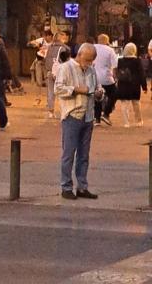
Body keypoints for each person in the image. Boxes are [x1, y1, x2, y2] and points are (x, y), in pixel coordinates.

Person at [55, 43, 103, 200]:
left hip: (88, 116)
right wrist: (75, 89)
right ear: (80, 54)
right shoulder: (66, 68)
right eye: (87, 60)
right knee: (69, 153)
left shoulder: (91, 70)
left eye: (91, 61)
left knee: (84, 154)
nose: (89, 64)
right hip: (72, 115)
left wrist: (98, 93)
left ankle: (82, 186)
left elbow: (97, 87)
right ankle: (66, 186)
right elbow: (58, 88)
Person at [117, 42, 146, 127]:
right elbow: (141, 74)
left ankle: (126, 123)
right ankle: (138, 121)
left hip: (123, 84)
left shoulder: (120, 60)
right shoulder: (137, 60)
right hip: (134, 85)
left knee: (124, 104)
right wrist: (144, 86)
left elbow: (119, 72)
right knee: (136, 103)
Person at [93, 34, 118, 126]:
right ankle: (106, 113)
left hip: (94, 77)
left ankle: (97, 119)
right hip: (106, 78)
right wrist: (115, 78)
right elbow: (115, 66)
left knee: (97, 97)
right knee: (114, 94)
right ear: (107, 41)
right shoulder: (110, 50)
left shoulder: (92, 48)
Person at [44, 32, 70, 118]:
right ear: (61, 38)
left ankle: (51, 112)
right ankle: (64, 111)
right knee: (63, 92)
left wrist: (48, 70)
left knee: (51, 92)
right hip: (61, 73)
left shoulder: (50, 47)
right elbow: (67, 62)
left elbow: (46, 60)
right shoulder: (65, 48)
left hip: (50, 71)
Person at [28, 28, 54, 105]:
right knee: (38, 81)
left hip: (48, 63)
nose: (46, 38)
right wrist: (35, 44)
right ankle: (37, 99)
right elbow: (29, 43)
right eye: (45, 36)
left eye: (48, 36)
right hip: (39, 61)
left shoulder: (53, 43)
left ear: (51, 36)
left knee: (48, 81)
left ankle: (48, 100)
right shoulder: (42, 40)